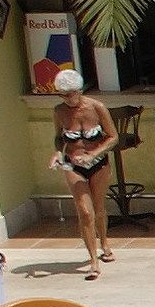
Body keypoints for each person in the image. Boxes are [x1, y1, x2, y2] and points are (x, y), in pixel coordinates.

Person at [48, 67, 117, 280]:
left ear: (79, 90)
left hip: (98, 162)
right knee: (85, 212)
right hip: (72, 163)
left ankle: (104, 241)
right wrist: (58, 154)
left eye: (70, 94)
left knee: (98, 207)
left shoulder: (97, 107)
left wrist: (93, 154)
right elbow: (59, 137)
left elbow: (113, 137)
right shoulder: (59, 111)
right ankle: (93, 262)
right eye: (62, 95)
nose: (67, 99)